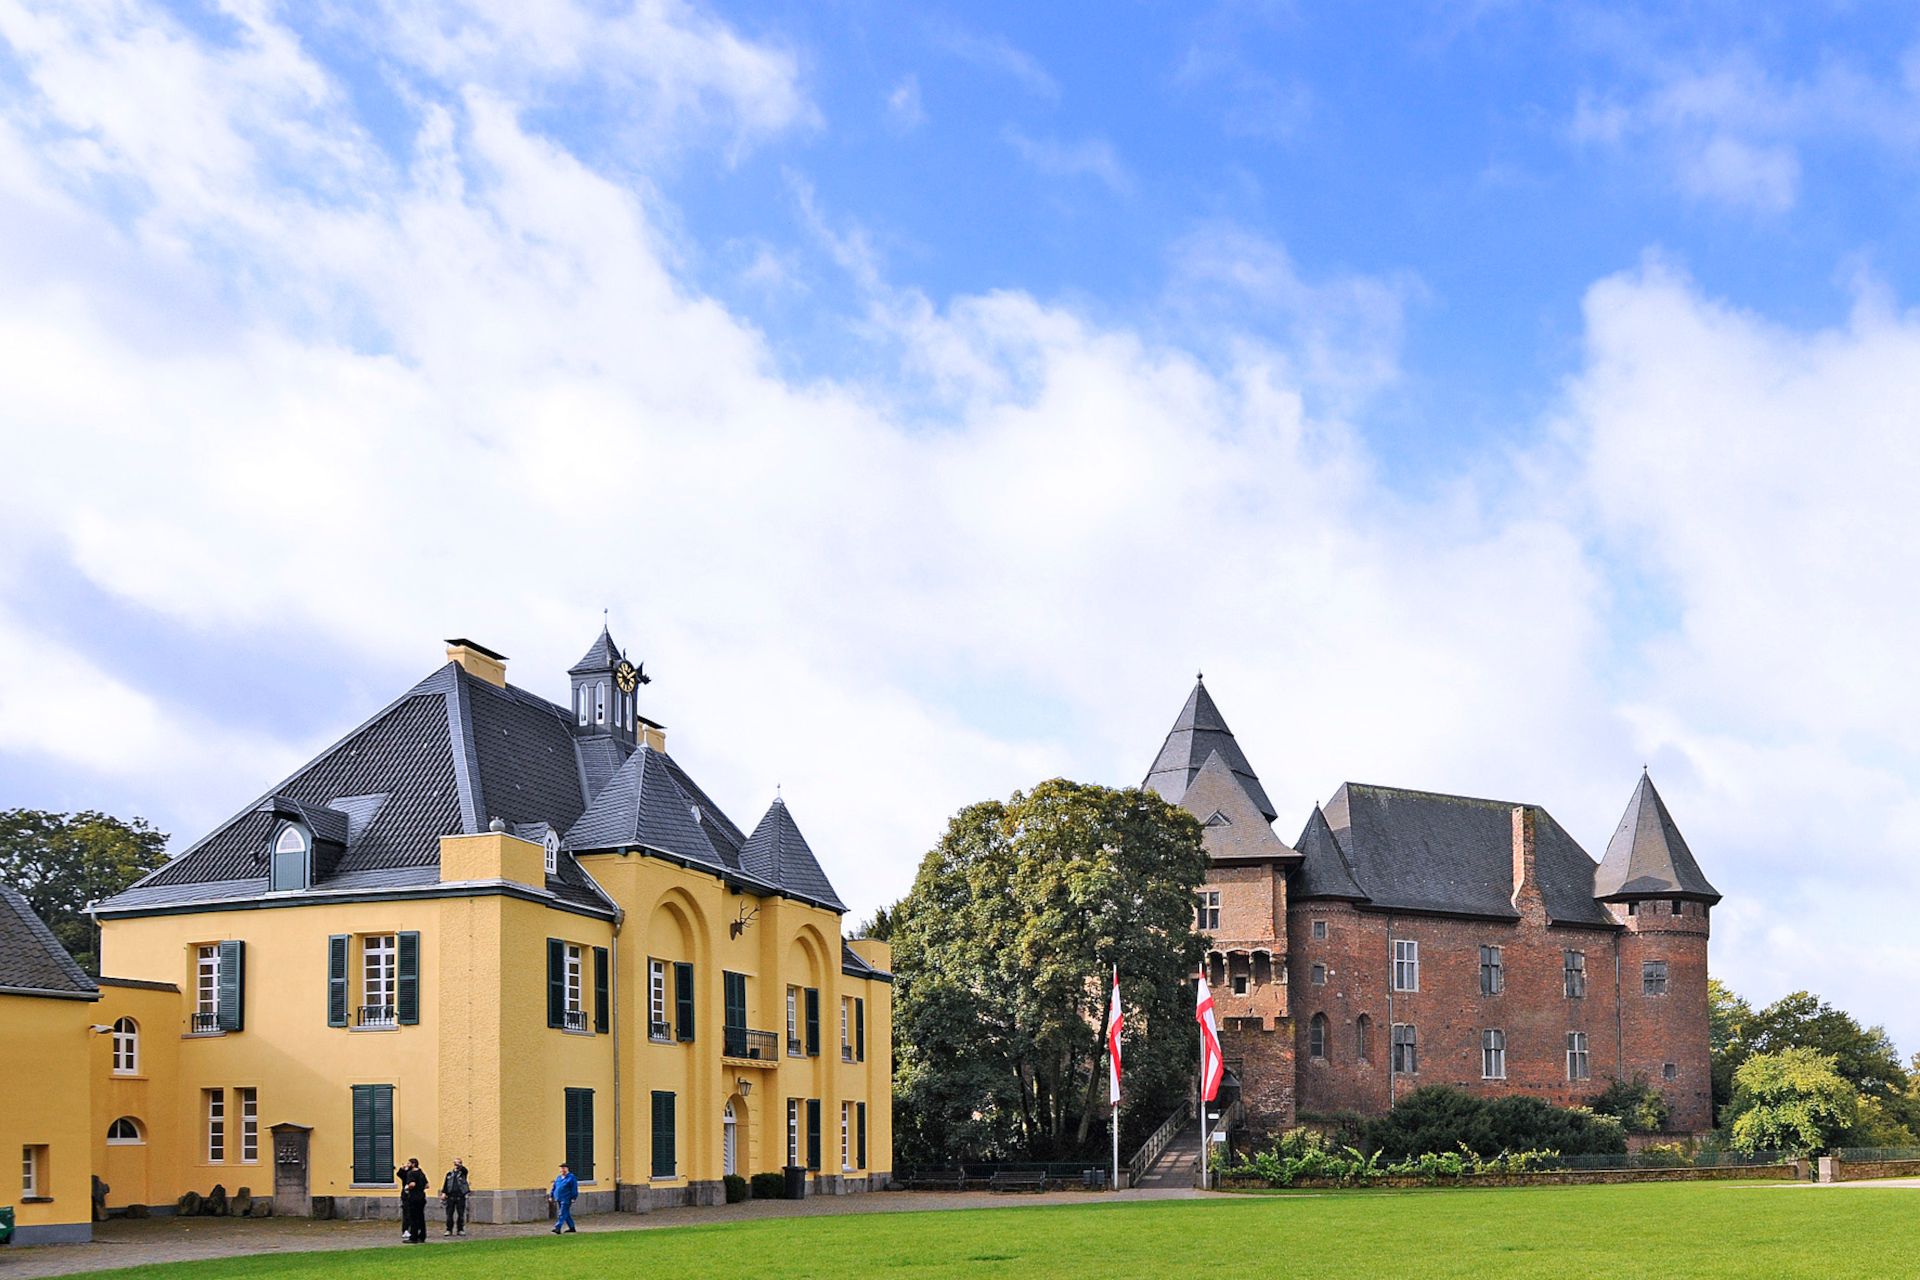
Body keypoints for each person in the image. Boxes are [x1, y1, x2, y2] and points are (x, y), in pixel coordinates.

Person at [395, 1158, 430, 1244]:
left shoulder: (411, 1173)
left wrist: (408, 1188)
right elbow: (427, 1185)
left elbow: (412, 1184)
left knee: (413, 1218)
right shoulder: (421, 1173)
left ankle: (413, 1237)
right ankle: (422, 1236)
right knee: (421, 1218)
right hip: (421, 1197)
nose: (407, 1165)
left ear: (413, 1164)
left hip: (413, 1197)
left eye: (409, 1163)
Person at [441, 1157, 471, 1236]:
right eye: (455, 1163)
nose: (456, 1164)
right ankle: (449, 1229)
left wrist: (460, 1166)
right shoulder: (449, 1174)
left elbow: (465, 1170)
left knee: (461, 1214)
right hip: (450, 1197)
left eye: (458, 1163)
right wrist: (444, 1193)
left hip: (460, 1196)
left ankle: (460, 1229)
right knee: (449, 1214)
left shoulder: (463, 1173)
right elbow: (445, 1184)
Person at [548, 1162, 579, 1235]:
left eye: (564, 1168)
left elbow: (574, 1188)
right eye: (561, 1168)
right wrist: (551, 1196)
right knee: (566, 1213)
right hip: (558, 1198)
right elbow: (554, 1187)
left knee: (562, 1213)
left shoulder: (571, 1177)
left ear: (567, 1169)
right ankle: (572, 1227)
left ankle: (557, 1228)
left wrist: (574, 1197)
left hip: (566, 1198)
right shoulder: (558, 1178)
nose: (562, 1170)